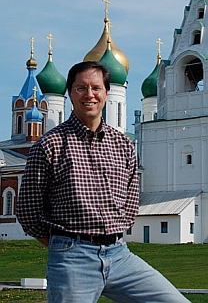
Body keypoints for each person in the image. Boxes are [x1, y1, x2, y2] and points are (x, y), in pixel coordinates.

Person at [16, 61, 190, 303]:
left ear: (107, 92)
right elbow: (28, 212)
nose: (89, 95)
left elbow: (130, 201)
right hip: (72, 256)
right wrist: (63, 245)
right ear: (69, 93)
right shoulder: (50, 145)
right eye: (81, 88)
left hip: (120, 255)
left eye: (96, 88)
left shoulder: (123, 144)